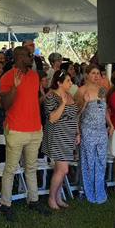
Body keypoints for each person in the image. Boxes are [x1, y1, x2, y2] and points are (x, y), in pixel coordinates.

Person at [0, 46, 51, 221]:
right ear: (19, 57)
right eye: (29, 55)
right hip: (16, 129)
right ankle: (6, 204)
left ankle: (33, 201)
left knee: (31, 167)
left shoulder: (35, 76)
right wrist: (14, 86)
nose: (32, 57)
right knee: (11, 169)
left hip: (35, 129)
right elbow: (5, 105)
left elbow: (32, 99)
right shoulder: (7, 77)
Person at [74, 64, 114, 204]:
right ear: (86, 75)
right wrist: (83, 103)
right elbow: (75, 113)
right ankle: (87, 191)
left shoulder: (101, 90)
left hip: (101, 130)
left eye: (98, 73)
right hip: (87, 129)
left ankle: (99, 191)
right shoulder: (81, 91)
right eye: (93, 73)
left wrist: (110, 124)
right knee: (88, 161)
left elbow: (104, 110)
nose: (96, 76)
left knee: (101, 161)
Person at [41, 70, 78, 210]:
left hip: (68, 136)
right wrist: (62, 103)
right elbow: (52, 118)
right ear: (59, 83)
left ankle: (58, 197)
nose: (71, 83)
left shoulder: (69, 95)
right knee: (63, 169)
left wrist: (77, 132)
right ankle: (51, 198)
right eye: (68, 81)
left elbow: (73, 115)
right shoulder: (51, 97)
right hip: (57, 136)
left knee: (61, 169)